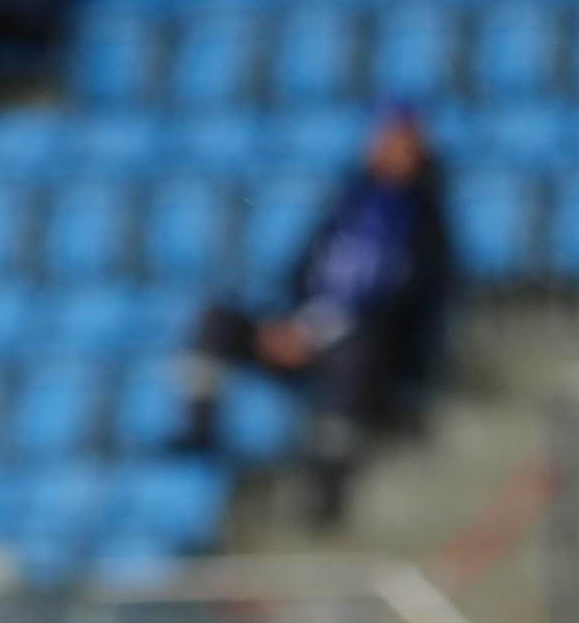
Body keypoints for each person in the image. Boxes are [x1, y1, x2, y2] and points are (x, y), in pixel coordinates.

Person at [167, 108, 460, 525]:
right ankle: (199, 432)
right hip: (305, 327)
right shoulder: (348, 203)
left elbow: (411, 301)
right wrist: (292, 326)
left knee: (355, 355)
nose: (390, 152)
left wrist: (323, 331)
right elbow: (303, 272)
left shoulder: (427, 223)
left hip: (370, 346)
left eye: (402, 144)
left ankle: (328, 478)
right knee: (218, 321)